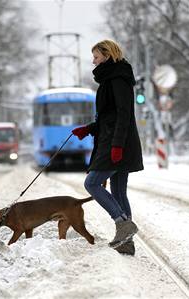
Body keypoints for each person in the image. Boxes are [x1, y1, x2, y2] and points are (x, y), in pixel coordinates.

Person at [72, 39, 144, 255]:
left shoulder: (117, 79)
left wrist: (117, 146)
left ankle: (122, 223)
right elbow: (110, 116)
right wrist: (90, 128)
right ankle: (126, 242)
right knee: (119, 191)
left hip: (117, 142)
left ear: (107, 55)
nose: (93, 62)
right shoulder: (111, 79)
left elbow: (124, 115)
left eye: (96, 57)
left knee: (92, 183)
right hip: (115, 140)